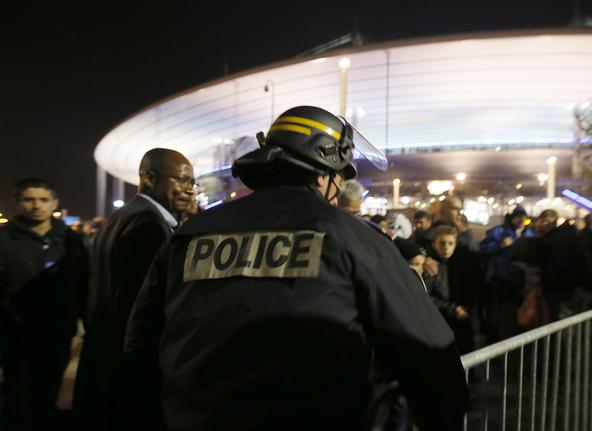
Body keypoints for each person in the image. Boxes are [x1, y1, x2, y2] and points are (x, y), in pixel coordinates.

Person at [125, 106, 468, 430]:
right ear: (323, 174)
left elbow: (140, 343)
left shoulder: (189, 234)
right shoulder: (353, 239)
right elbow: (429, 353)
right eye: (339, 175)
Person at [74, 148, 195, 430]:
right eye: (182, 180)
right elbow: (142, 306)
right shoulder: (150, 225)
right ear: (150, 178)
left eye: (193, 183)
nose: (190, 190)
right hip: (129, 363)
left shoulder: (122, 217)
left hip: (104, 351)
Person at [0, 178, 89, 430]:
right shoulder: (4, 239)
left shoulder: (71, 240)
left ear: (54, 203)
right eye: (29, 199)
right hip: (15, 334)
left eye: (43, 199)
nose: (36, 205)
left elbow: (83, 284)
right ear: (17, 203)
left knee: (47, 393)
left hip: (58, 333)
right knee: (16, 396)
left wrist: (85, 322)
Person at [479, 206, 529, 341]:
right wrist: (500, 245)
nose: (521, 220)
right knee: (495, 314)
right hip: (498, 279)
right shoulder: (498, 232)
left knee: (515, 315)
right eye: (519, 217)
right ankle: (492, 344)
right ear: (513, 218)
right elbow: (482, 248)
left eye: (524, 218)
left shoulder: (528, 233)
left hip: (520, 282)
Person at [423, 225, 475, 354]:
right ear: (434, 244)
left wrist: (466, 307)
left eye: (451, 243)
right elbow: (425, 296)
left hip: (461, 316)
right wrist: (452, 309)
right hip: (440, 321)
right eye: (442, 243)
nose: (446, 247)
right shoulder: (429, 266)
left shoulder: (460, 261)